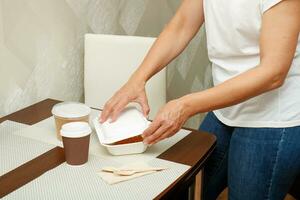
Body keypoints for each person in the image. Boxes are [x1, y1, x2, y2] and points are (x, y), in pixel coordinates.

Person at [100, 0, 300, 199]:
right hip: (226, 108)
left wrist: (186, 105)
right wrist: (137, 79)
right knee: (184, 188)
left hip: (273, 116)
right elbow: (182, 24)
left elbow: (273, 73)